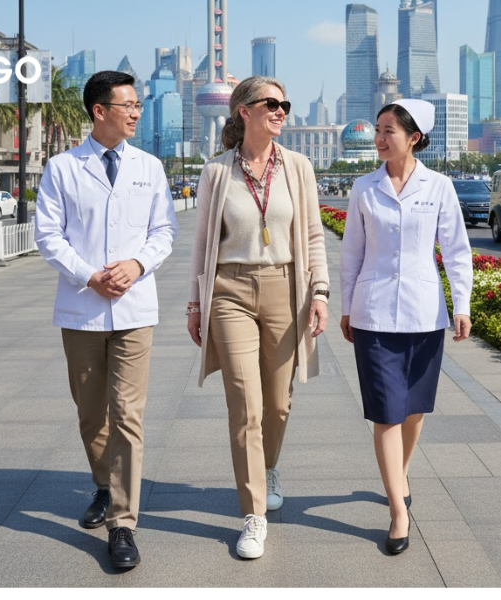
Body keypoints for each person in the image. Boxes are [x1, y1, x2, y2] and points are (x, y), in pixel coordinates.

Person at [34, 70, 178, 569]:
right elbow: (49, 236)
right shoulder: (62, 168)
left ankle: (122, 522)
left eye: (139, 105)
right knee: (92, 413)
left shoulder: (149, 167)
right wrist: (89, 276)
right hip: (82, 307)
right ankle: (103, 482)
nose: (137, 112)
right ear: (100, 111)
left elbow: (164, 230)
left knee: (128, 415)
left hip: (136, 308)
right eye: (128, 105)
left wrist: (137, 264)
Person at [187, 76, 329, 559]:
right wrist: (194, 304)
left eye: (285, 104)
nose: (281, 111)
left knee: (278, 403)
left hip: (285, 288)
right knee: (244, 404)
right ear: (243, 111)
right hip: (229, 290)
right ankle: (254, 515)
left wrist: (320, 293)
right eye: (272, 103)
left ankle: (268, 467)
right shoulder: (216, 173)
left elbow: (312, 235)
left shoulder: (299, 168)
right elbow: (202, 246)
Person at [339, 99, 472, 555]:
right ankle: (398, 510)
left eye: (388, 130)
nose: (379, 138)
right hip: (373, 314)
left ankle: (399, 473)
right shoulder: (363, 188)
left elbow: (456, 250)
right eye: (377, 129)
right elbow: (351, 253)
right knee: (386, 412)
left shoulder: (439, 187)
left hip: (423, 314)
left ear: (414, 137)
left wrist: (462, 304)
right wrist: (344, 306)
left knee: (413, 411)